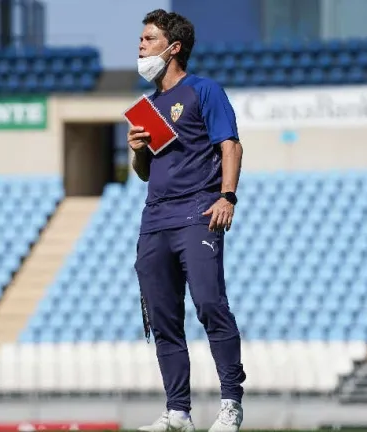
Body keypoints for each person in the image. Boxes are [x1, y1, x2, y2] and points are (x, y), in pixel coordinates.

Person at [127, 9, 246, 432]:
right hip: (155, 219)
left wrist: (227, 196)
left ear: (173, 47)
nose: (141, 45)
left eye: (149, 39)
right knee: (163, 319)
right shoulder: (148, 106)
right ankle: (178, 412)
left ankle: (231, 404)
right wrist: (138, 150)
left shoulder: (203, 90)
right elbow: (145, 173)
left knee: (210, 305)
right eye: (141, 39)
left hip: (198, 211)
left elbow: (231, 145)